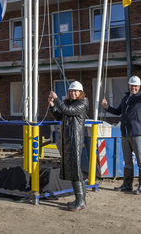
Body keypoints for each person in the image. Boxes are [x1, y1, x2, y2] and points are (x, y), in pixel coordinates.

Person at [102, 66, 141, 195]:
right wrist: (107, 107)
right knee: (127, 161)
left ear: (139, 87)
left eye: (135, 86)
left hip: (137, 133)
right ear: (129, 86)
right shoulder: (125, 99)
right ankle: (127, 185)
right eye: (131, 86)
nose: (133, 88)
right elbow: (118, 111)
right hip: (125, 133)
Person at [49, 81, 89, 211]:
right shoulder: (69, 104)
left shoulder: (82, 103)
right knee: (73, 170)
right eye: (71, 91)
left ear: (80, 93)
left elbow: (67, 110)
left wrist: (56, 99)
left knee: (75, 170)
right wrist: (52, 107)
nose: (73, 93)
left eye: (75, 91)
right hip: (68, 140)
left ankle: (81, 201)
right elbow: (61, 116)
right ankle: (80, 199)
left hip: (74, 140)